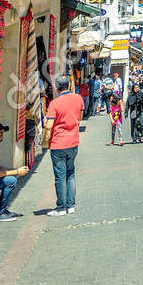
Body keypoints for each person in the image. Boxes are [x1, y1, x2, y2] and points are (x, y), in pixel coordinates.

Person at [43, 76, 85, 215]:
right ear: (69, 85)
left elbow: (49, 125)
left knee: (60, 176)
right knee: (70, 174)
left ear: (56, 87)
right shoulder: (78, 98)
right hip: (73, 141)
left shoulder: (54, 103)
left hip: (58, 143)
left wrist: (45, 129)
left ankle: (61, 207)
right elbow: (79, 117)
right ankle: (71, 205)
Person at [127, 77, 143, 143]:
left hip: (141, 111)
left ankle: (140, 137)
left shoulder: (141, 93)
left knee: (141, 124)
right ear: (133, 88)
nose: (136, 89)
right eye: (135, 88)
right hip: (133, 111)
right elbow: (128, 104)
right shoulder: (130, 95)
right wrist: (126, 114)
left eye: (137, 87)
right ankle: (134, 138)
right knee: (134, 125)